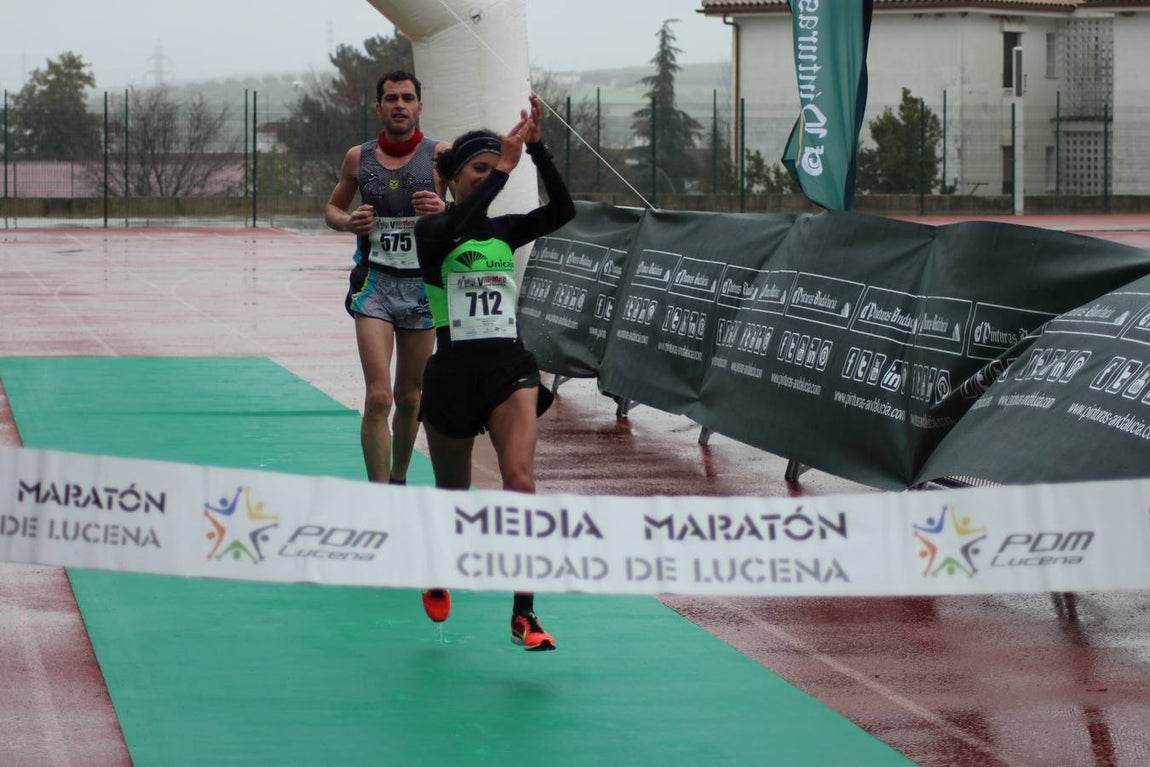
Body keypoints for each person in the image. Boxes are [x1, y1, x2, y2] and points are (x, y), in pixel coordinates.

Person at [413, 95, 576, 651]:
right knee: (453, 494)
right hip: (452, 378)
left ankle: (524, 614)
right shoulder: (433, 231)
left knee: (521, 482)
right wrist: (505, 168)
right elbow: (457, 223)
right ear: (454, 177)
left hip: (510, 370)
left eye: (493, 168)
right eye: (478, 170)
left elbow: (563, 211)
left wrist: (539, 150)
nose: (489, 177)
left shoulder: (504, 232)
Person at [324, 71, 448, 490]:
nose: (399, 105)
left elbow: (473, 210)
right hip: (375, 285)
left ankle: (399, 480)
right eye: (391, 98)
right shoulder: (358, 158)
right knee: (379, 396)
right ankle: (378, 496)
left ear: (419, 107)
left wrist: (445, 210)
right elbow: (332, 209)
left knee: (410, 396)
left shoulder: (440, 156)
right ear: (378, 107)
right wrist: (348, 222)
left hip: (422, 288)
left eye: (407, 98)